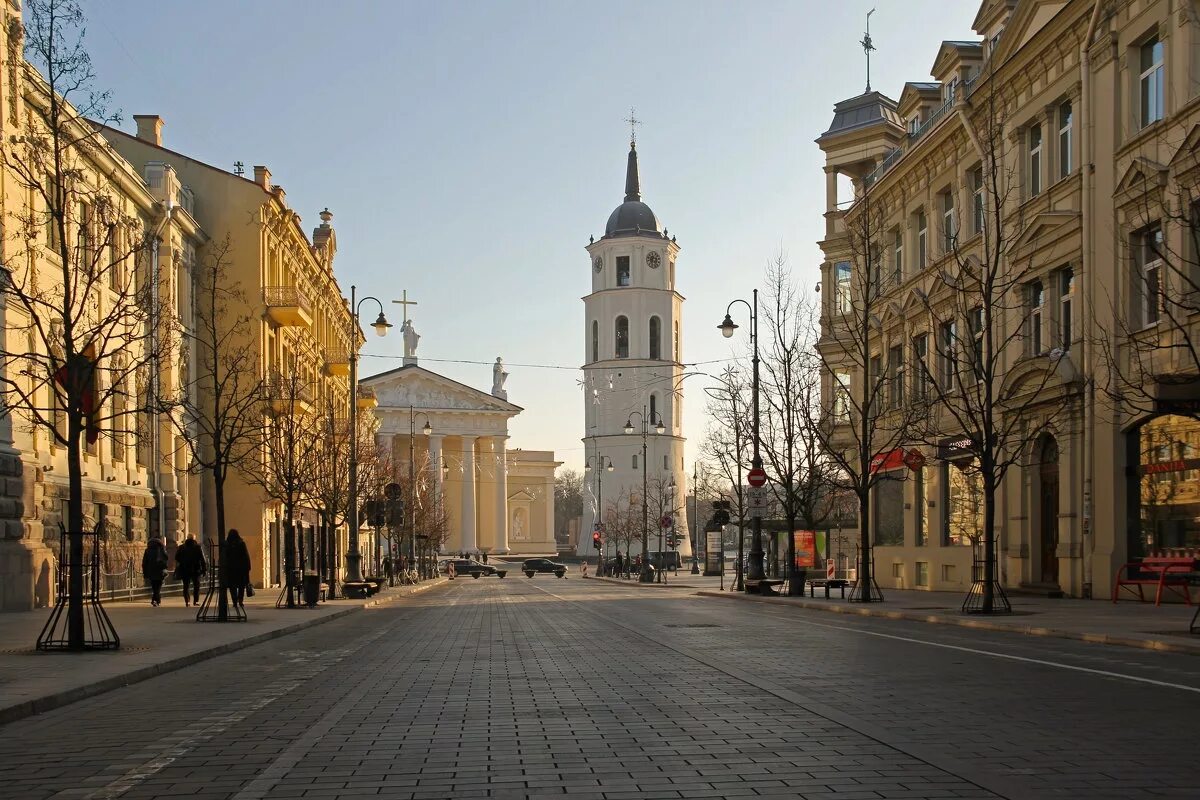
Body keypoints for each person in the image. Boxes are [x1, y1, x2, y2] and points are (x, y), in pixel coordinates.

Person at [174, 534, 206, 607]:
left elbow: (177, 557)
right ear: (194, 539)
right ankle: (196, 601)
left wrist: (183, 561)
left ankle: (187, 601)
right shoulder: (198, 547)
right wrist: (204, 569)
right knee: (196, 586)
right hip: (196, 569)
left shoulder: (182, 547)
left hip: (185, 569)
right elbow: (202, 559)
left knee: (186, 586)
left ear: (187, 538)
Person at [224, 529, 252, 609]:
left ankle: (234, 601)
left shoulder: (227, 544)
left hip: (231, 569)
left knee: (232, 586)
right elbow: (246, 556)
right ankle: (240, 600)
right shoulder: (241, 543)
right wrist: (248, 567)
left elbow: (225, 557)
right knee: (241, 586)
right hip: (241, 569)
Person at [142, 536, 168, 606]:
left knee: (154, 587)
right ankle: (156, 600)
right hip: (160, 571)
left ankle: (155, 600)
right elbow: (166, 559)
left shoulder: (147, 550)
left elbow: (144, 562)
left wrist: (145, 572)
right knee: (158, 587)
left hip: (151, 571)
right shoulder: (161, 549)